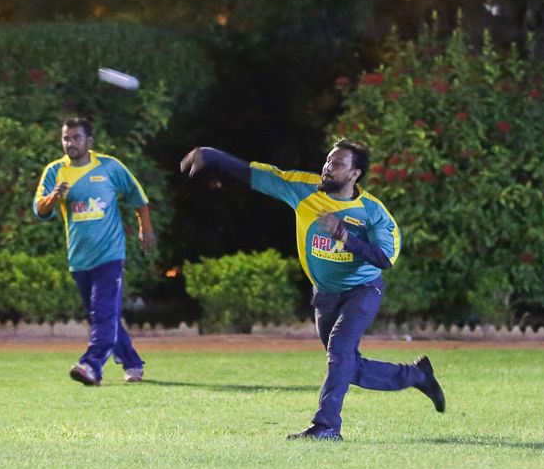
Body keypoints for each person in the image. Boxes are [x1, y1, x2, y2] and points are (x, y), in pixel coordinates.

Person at [178, 139, 445, 441]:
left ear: (355, 174)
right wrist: (211, 156)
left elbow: (384, 258)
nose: (328, 167)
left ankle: (326, 426)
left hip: (363, 290)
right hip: (326, 295)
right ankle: (417, 375)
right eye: (328, 160)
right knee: (348, 366)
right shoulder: (304, 189)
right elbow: (259, 175)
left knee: (340, 352)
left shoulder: (372, 211)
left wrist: (344, 234)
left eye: (338, 163)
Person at [34, 117, 156, 385]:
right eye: (66, 138)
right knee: (104, 316)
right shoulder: (55, 171)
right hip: (79, 259)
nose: (70, 143)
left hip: (110, 255)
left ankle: (91, 366)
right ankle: (133, 364)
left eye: (76, 138)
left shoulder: (109, 167)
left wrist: (145, 229)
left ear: (89, 141)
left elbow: (138, 197)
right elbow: (39, 210)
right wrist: (54, 197)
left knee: (103, 313)